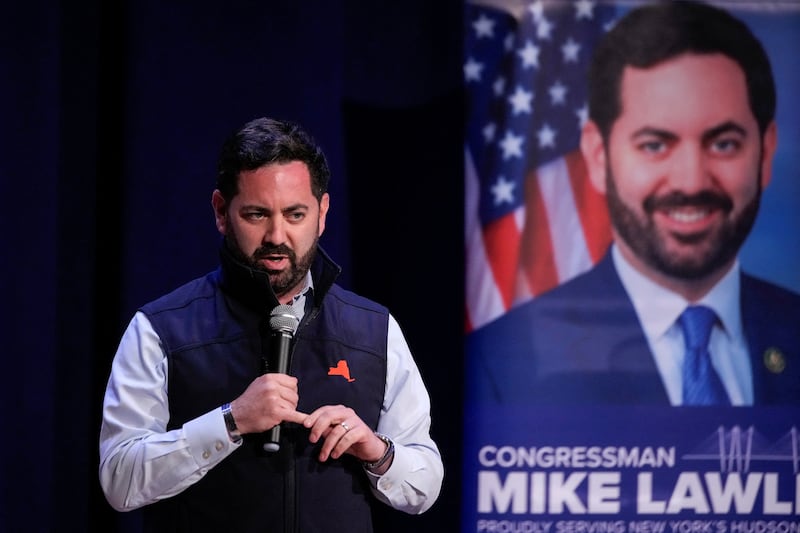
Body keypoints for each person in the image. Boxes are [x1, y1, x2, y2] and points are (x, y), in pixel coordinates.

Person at [98, 117, 444, 531]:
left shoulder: (373, 329)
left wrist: (376, 449)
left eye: (296, 214)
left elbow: (425, 483)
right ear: (221, 212)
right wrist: (231, 421)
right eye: (257, 214)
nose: (277, 235)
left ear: (323, 213)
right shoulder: (161, 329)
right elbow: (119, 480)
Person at [466, 0, 800, 406]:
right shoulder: (502, 363)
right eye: (655, 145)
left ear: (766, 152)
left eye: (724, 143)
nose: (691, 181)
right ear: (597, 155)